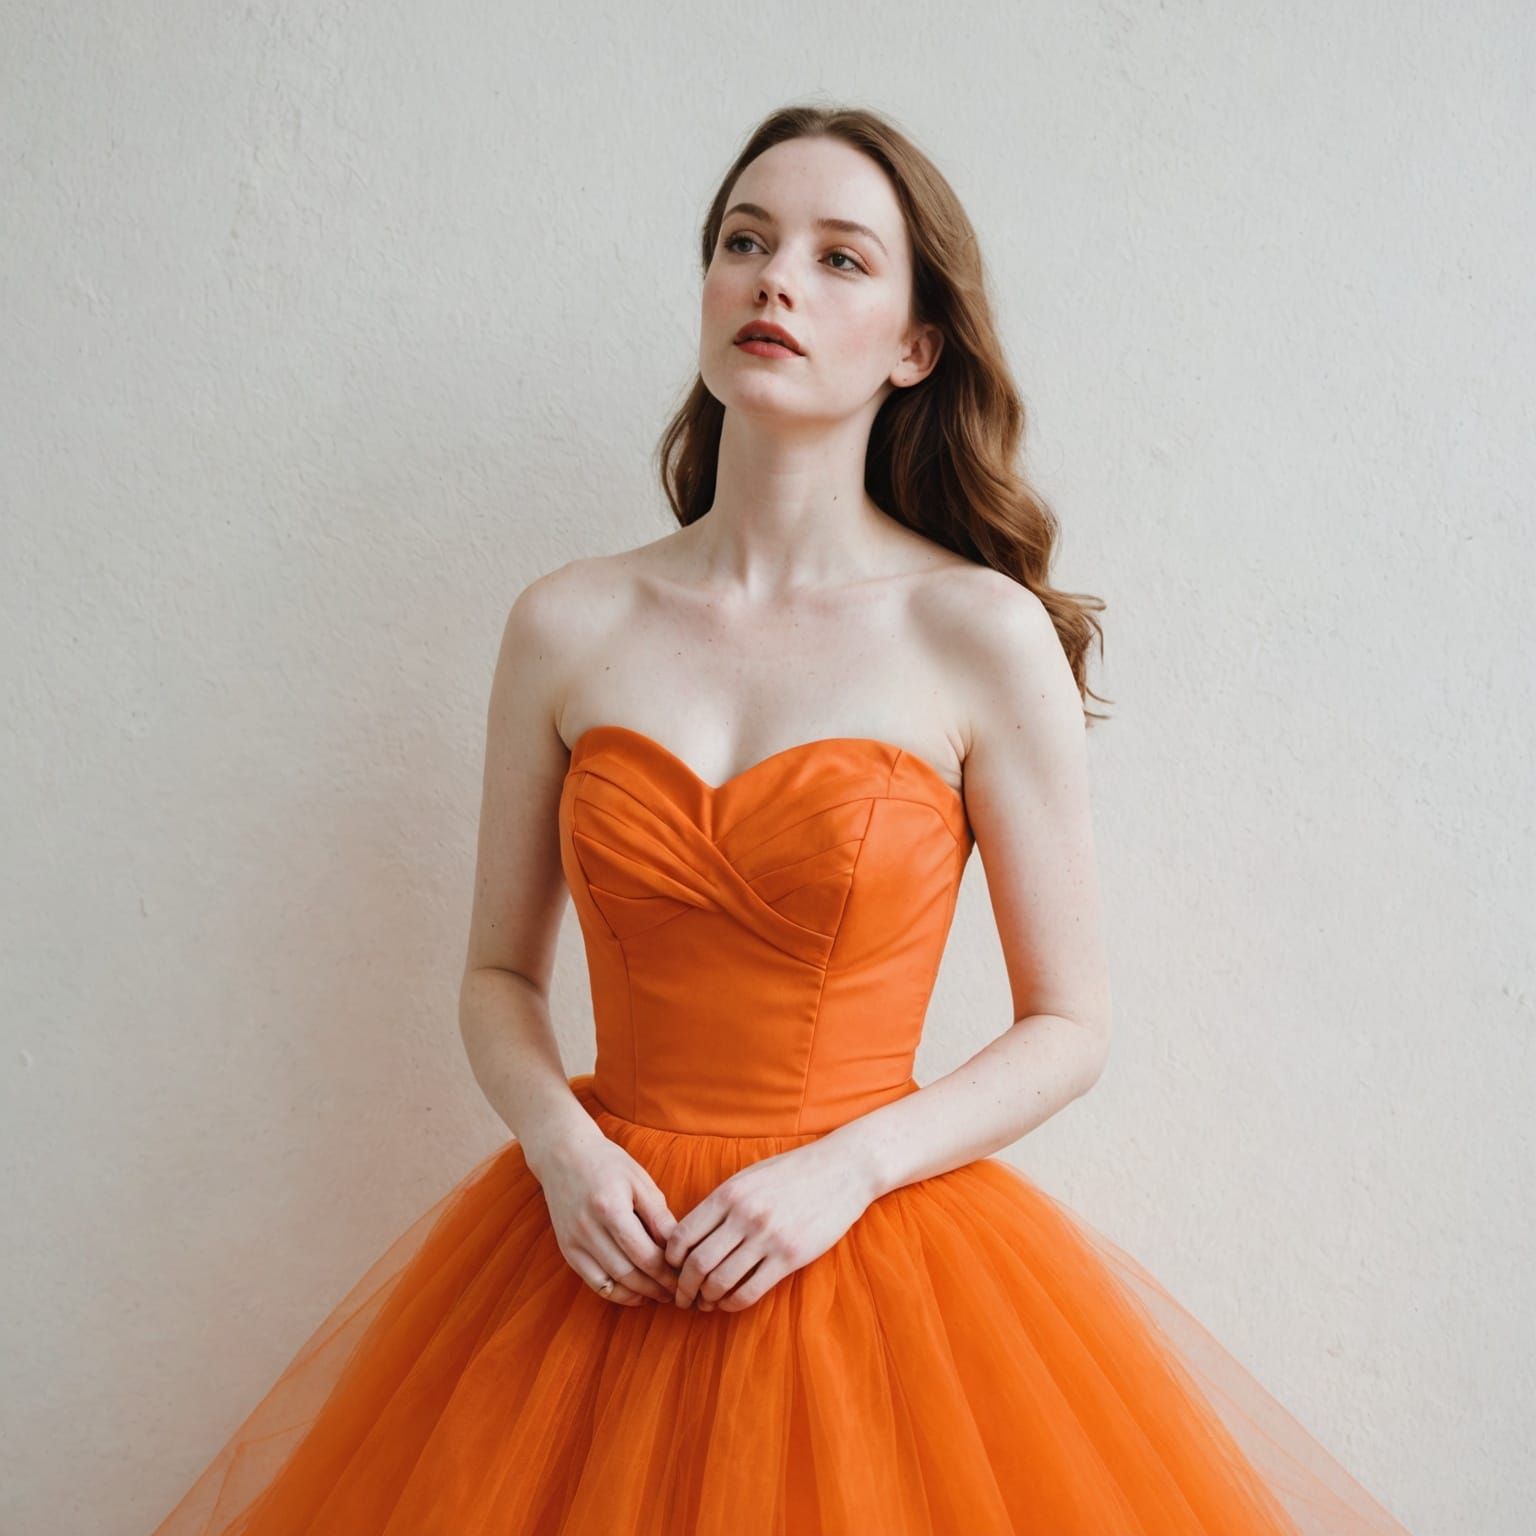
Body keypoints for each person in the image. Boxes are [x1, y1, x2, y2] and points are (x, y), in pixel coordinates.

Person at [148, 104, 1414, 1534]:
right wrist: (561, 1146)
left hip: (864, 1251)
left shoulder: (974, 633)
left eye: (838, 258)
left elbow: (1072, 1026)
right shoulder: (567, 622)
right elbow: (499, 976)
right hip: (592, 1248)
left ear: (915, 344)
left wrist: (850, 1168)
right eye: (744, 242)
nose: (775, 281)